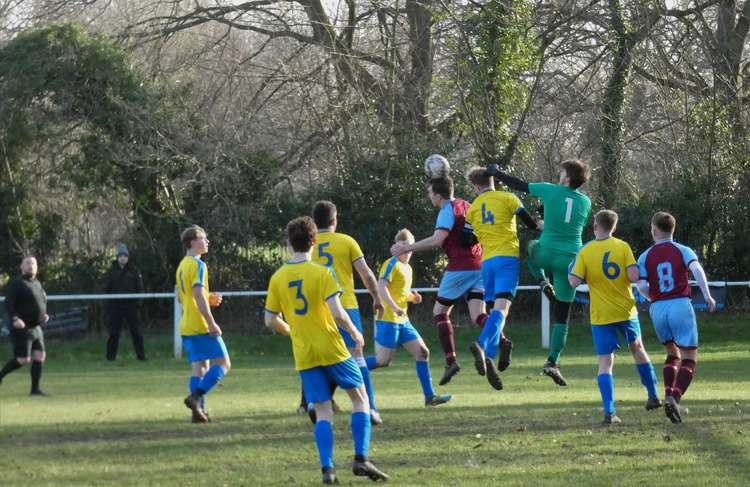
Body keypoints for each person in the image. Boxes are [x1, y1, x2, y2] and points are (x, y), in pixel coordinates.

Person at [264, 216, 388, 484]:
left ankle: (328, 469)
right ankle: (361, 458)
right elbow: (337, 312)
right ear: (314, 241)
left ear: (288, 243)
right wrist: (355, 333)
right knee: (360, 399)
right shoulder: (323, 273)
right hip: (332, 348)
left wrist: (291, 330)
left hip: (304, 352)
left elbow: (269, 319)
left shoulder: (278, 277)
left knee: (321, 410)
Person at [390, 176, 513, 386]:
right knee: (478, 315)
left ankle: (451, 361)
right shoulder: (467, 205)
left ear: (438, 195)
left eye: (430, 193)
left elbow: (438, 240)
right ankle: (502, 341)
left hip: (460, 267)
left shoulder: (447, 210)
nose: (430, 197)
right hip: (481, 264)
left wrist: (406, 248)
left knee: (439, 312)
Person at [487, 159, 592, 386]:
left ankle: (542, 281)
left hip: (546, 253)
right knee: (562, 314)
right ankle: (553, 361)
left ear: (566, 178)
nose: (559, 175)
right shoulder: (585, 202)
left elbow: (520, 185)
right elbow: (565, 223)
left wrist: (498, 173)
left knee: (531, 247)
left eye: (562, 173)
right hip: (570, 262)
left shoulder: (551, 190)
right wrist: (547, 217)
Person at [568, 210, 661, 424]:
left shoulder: (585, 251)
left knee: (605, 361)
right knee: (638, 349)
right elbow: (633, 276)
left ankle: (610, 411)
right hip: (625, 310)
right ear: (614, 228)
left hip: (601, 315)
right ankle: (653, 395)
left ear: (594, 226)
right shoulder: (622, 246)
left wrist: (571, 269)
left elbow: (573, 282)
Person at [302, 200, 383, 425]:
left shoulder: (309, 244)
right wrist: (377, 297)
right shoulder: (347, 241)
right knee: (357, 356)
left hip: (318, 310)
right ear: (334, 220)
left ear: (314, 221)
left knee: (321, 358)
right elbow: (366, 274)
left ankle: (313, 404)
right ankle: (371, 408)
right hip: (345, 305)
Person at [465, 166, 541, 390]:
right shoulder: (509, 198)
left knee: (494, 311)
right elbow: (530, 223)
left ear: (477, 186)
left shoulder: (473, 208)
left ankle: (489, 356)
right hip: (506, 259)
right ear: (492, 182)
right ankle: (482, 344)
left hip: (487, 263)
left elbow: (468, 240)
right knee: (502, 309)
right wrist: (541, 225)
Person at [636, 212, 716, 423]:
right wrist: (707, 295)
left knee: (672, 353)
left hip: (658, 308)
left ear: (654, 230)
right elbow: (696, 269)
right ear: (672, 229)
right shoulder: (683, 250)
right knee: (689, 357)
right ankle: (675, 398)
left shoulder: (645, 256)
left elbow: (642, 285)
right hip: (680, 304)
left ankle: (667, 393)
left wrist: (653, 297)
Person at [366, 229, 452, 407]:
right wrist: (395, 307)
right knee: (383, 361)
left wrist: (413, 298)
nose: (406, 251)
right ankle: (350, 367)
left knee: (423, 353)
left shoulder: (408, 268)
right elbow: (382, 287)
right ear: (396, 247)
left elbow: (401, 292)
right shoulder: (391, 264)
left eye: (409, 247)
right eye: (402, 247)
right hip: (388, 319)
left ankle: (430, 397)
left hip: (402, 320)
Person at [177, 225, 230, 423]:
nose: (207, 242)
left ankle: (198, 413)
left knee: (199, 369)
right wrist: (211, 322)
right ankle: (195, 397)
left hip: (186, 325)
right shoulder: (199, 265)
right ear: (192, 242)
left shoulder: (182, 265)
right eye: (203, 238)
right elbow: (197, 294)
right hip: (200, 325)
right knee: (224, 364)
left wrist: (208, 298)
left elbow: (183, 298)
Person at [0, 256, 49, 395]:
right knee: (23, 359)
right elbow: (8, 303)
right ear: (21, 267)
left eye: (33, 263)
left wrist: (44, 315)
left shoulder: (37, 283)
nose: (31, 266)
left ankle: (35, 390)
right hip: (22, 328)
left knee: (40, 356)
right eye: (27, 263)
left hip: (36, 327)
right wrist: (15, 318)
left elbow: (41, 301)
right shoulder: (17, 283)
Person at [104, 244, 147, 361]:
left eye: (125, 256)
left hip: (131, 307)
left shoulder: (134, 270)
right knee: (113, 333)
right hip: (115, 307)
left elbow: (140, 289)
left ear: (128, 257)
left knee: (136, 332)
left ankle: (141, 356)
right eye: (120, 256)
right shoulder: (111, 271)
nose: (123, 258)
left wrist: (138, 304)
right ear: (117, 257)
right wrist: (109, 305)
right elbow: (106, 289)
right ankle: (110, 358)